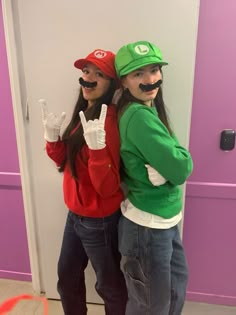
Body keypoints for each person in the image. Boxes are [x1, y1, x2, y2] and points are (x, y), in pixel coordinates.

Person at [40, 48, 127, 315]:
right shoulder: (84, 115)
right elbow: (65, 164)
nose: (89, 78)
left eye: (99, 74)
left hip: (98, 219)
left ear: (111, 83)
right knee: (67, 281)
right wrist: (52, 140)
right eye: (86, 71)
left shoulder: (107, 121)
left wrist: (99, 151)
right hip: (75, 215)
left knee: (109, 286)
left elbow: (108, 187)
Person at [114, 40, 193, 315]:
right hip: (146, 227)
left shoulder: (150, 110)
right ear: (123, 82)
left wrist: (174, 161)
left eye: (154, 69)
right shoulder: (139, 116)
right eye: (138, 74)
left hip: (164, 221)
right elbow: (182, 168)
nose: (150, 79)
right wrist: (176, 163)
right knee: (151, 307)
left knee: (172, 295)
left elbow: (176, 163)